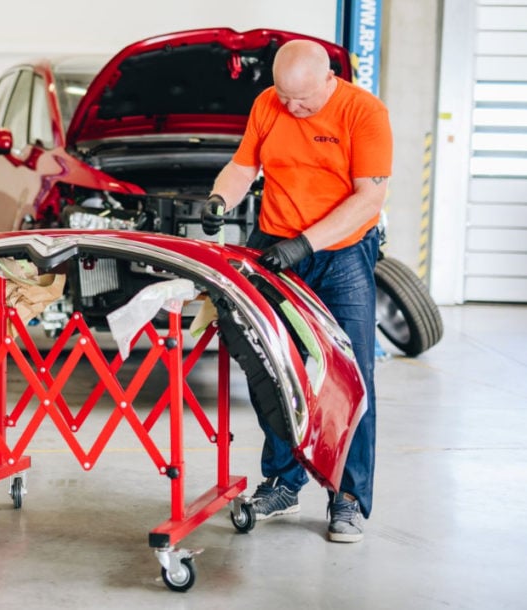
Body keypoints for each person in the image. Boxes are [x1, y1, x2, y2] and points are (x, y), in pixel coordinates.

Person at [201, 39, 391, 543]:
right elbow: (244, 167)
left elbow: (369, 199)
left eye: (302, 100)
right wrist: (220, 198)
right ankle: (284, 482)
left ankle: (347, 497)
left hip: (340, 251)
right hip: (275, 243)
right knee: (268, 361)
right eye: (284, 96)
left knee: (351, 372)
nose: (291, 107)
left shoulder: (365, 113)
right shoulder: (269, 103)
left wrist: (304, 245)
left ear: (329, 79)